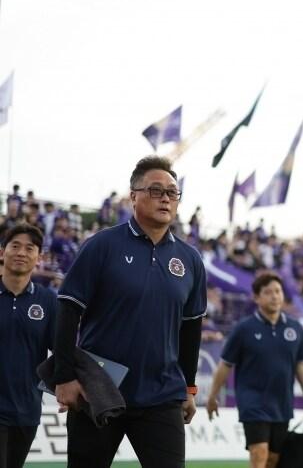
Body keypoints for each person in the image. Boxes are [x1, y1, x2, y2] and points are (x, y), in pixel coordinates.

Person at [54, 156, 207, 468]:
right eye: (155, 190)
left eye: (172, 192)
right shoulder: (101, 245)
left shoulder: (190, 260)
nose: (166, 197)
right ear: (133, 196)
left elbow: (191, 330)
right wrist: (64, 376)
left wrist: (189, 388)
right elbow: (68, 311)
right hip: (98, 389)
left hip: (162, 395)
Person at [206, 272, 303, 468]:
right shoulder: (244, 329)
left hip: (282, 404)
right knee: (259, 454)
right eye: (268, 292)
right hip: (253, 403)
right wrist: (212, 396)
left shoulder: (295, 329)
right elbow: (225, 364)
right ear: (257, 297)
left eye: (278, 291)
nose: (274, 296)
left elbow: (301, 365)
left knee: (273, 460)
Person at [0, 223, 57, 468]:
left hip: (27, 410)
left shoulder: (48, 300)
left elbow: (60, 351)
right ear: (2, 252)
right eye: (15, 246)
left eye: (29, 248)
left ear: (39, 257)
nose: (22, 252)